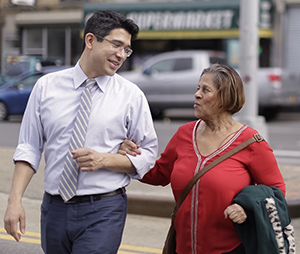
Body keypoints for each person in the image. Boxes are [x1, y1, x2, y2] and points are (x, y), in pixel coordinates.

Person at [4, 10, 158, 254]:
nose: (121, 55)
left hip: (104, 208)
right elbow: (29, 147)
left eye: (127, 49)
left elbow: (148, 154)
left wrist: (105, 159)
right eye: (116, 45)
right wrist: (14, 201)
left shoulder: (131, 96)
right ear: (90, 40)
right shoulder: (46, 86)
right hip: (53, 208)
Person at [118, 63, 286, 254]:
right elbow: (158, 174)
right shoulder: (184, 134)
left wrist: (246, 207)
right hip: (183, 247)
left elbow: (277, 190)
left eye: (205, 90)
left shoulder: (251, 141)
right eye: (198, 88)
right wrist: (131, 155)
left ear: (225, 97)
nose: (197, 94)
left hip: (231, 249)